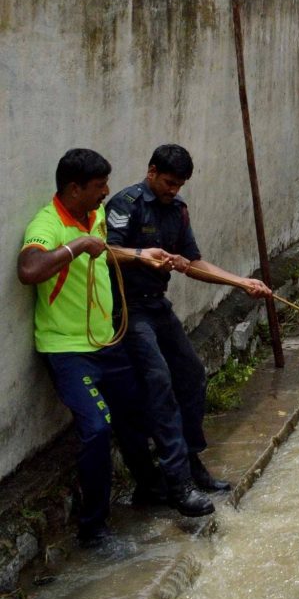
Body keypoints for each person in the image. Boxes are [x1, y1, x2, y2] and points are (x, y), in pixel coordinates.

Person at [17, 149, 209, 547]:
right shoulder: (47, 224)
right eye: (99, 186)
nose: (107, 191)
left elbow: (103, 250)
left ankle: (154, 487)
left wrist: (140, 254)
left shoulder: (96, 216)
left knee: (141, 408)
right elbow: (30, 270)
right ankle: (94, 529)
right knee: (97, 429)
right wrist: (76, 246)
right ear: (75, 189)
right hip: (68, 351)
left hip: (106, 341)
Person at [105, 144, 272, 505]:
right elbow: (104, 251)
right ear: (151, 172)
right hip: (128, 311)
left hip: (158, 307)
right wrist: (143, 257)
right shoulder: (126, 204)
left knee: (192, 374)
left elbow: (194, 262)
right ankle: (178, 484)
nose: (173, 190)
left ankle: (192, 460)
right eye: (168, 182)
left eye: (179, 185)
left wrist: (241, 282)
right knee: (159, 383)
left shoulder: (177, 211)